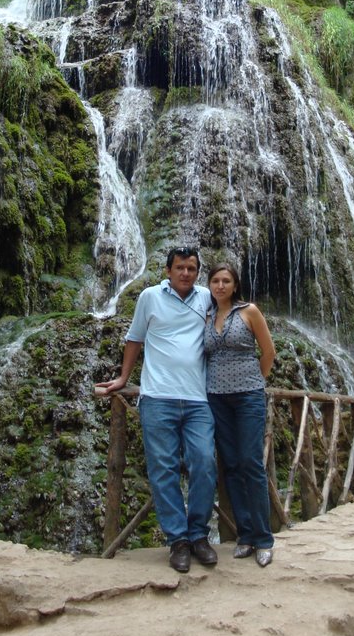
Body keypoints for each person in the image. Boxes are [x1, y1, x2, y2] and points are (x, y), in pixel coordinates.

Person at [100, 246, 218, 574]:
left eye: (191, 268)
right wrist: (124, 377)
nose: (185, 273)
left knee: (204, 462)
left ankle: (198, 535)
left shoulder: (208, 297)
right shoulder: (150, 297)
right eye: (180, 267)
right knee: (163, 468)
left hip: (198, 400)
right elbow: (135, 338)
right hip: (157, 397)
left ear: (197, 272)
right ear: (168, 270)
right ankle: (177, 540)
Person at [205, 261, 277, 567]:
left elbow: (268, 352)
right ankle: (245, 535)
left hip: (248, 397)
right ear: (209, 286)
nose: (220, 286)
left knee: (250, 463)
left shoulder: (250, 311)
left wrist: (255, 382)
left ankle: (264, 538)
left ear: (235, 285)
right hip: (216, 398)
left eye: (226, 281)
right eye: (215, 281)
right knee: (232, 465)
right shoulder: (207, 315)